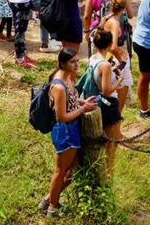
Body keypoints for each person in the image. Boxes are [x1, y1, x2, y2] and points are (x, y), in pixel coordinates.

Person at [40, 47, 98, 219]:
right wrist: (83, 109)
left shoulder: (67, 79)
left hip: (71, 129)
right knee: (61, 171)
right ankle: (52, 207)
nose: (76, 65)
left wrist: (82, 102)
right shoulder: (58, 85)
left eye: (77, 61)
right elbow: (62, 116)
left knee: (71, 171)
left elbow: (70, 100)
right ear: (63, 63)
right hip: (65, 130)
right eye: (73, 62)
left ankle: (48, 200)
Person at [88, 28, 124, 176]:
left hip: (99, 102)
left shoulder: (93, 58)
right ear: (110, 44)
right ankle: (109, 174)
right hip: (109, 104)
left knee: (105, 141)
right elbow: (107, 90)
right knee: (112, 143)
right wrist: (119, 80)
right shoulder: (106, 65)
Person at [100, 0, 134, 113]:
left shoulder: (106, 18)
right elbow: (113, 46)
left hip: (109, 58)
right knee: (119, 101)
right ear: (123, 8)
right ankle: (115, 127)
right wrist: (122, 59)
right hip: (117, 61)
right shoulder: (115, 23)